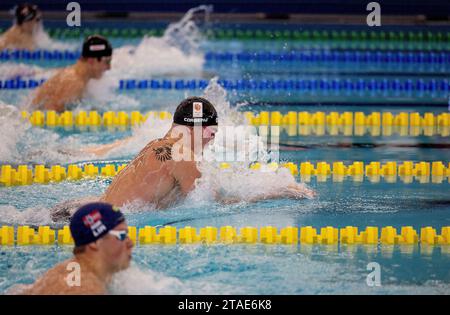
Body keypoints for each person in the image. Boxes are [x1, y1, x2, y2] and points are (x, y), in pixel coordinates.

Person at [50, 97, 315, 221]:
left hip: (84, 211)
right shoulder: (183, 156)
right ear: (194, 128)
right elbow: (214, 205)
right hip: (98, 223)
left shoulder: (157, 145)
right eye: (210, 130)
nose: (213, 137)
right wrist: (276, 192)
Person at [21, 202, 133, 295]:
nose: (131, 243)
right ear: (94, 242)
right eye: (122, 235)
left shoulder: (82, 270)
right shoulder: (84, 289)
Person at [30, 35, 113, 112]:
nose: (109, 67)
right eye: (107, 62)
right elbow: (50, 114)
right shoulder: (74, 82)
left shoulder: (79, 77)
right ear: (91, 61)